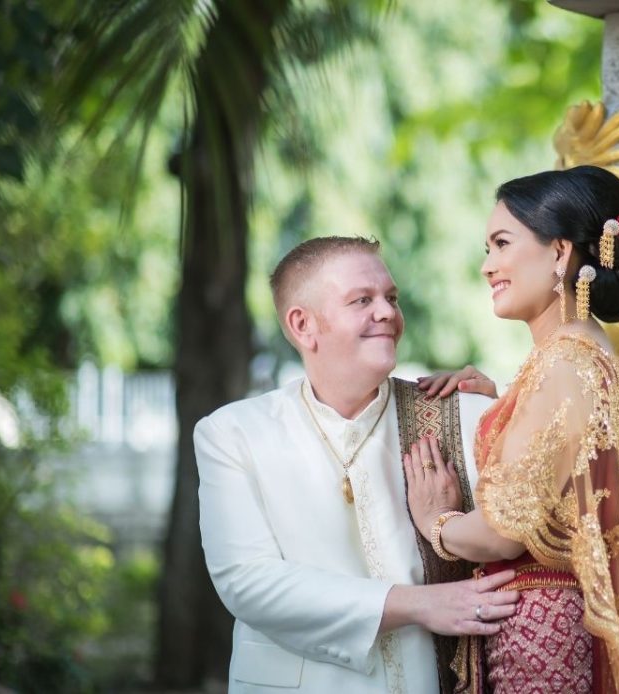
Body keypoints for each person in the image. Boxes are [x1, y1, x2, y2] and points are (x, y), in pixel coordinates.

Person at [194, 236, 519, 694]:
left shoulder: (458, 414)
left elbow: (532, 530)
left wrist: (506, 413)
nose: (386, 312)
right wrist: (419, 604)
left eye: (391, 298)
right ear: (303, 325)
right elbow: (249, 583)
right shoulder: (234, 434)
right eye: (361, 300)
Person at [405, 165, 619, 693]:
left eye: (502, 243)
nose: (488, 266)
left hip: (539, 639)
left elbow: (502, 533)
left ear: (558, 253)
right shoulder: (577, 356)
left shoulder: (564, 363)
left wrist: (437, 523)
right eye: (488, 248)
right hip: (551, 627)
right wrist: (501, 408)